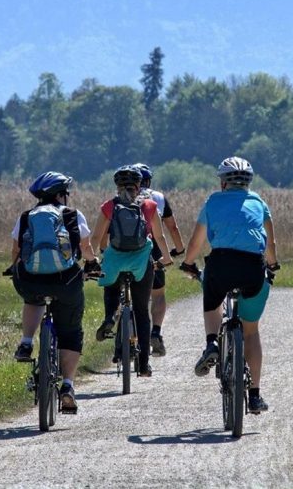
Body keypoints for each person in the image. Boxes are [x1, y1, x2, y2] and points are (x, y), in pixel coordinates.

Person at [179, 157, 279, 414]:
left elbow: (195, 243)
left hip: (221, 264)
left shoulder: (213, 202)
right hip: (252, 269)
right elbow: (271, 245)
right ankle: (255, 395)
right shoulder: (259, 202)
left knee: (212, 298)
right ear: (248, 182)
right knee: (251, 331)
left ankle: (212, 342)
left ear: (223, 182)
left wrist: (188, 264)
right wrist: (273, 265)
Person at [9, 171, 101, 413]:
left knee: (33, 299)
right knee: (71, 331)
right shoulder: (72, 215)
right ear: (60, 195)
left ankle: (26, 343)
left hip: (31, 280)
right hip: (66, 282)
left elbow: (16, 251)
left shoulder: (27, 217)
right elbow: (85, 246)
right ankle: (68, 386)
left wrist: (17, 270)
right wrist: (92, 264)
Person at [90, 165, 174, 377]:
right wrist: (166, 257)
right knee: (141, 312)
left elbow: (96, 237)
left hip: (116, 260)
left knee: (110, 286)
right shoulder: (149, 205)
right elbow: (160, 237)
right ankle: (144, 364)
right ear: (140, 185)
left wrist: (93, 259)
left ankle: (110, 316)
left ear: (117, 186)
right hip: (140, 263)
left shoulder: (109, 206)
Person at [133, 163, 185, 357]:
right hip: (153, 250)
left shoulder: (119, 197)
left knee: (125, 289)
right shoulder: (158, 198)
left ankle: (121, 324)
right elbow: (172, 227)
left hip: (124, 252)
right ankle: (155, 331)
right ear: (149, 180)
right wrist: (179, 249)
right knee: (158, 294)